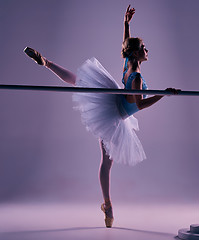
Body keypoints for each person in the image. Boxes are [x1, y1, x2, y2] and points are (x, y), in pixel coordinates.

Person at [24, 5, 179, 228]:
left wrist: (126, 24)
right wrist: (164, 94)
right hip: (115, 115)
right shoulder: (135, 77)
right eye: (144, 48)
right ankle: (107, 205)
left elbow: (126, 46)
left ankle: (46, 62)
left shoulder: (129, 63)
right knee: (106, 164)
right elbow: (141, 104)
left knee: (79, 81)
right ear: (136, 53)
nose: (147, 50)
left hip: (111, 101)